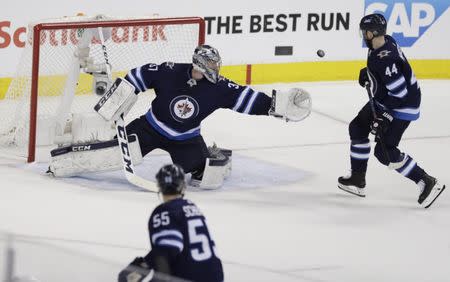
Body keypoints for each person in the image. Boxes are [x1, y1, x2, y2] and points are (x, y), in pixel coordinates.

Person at [92, 44, 311, 188]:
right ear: (200, 64)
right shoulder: (171, 71)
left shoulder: (220, 87)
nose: (216, 67)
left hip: (186, 140)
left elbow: (247, 98)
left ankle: (213, 156)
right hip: (149, 128)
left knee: (206, 178)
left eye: (216, 63)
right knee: (109, 154)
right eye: (212, 64)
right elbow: (139, 75)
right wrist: (116, 99)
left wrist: (276, 105)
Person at [337, 13, 446, 208]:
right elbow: (385, 74)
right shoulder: (382, 43)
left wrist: (385, 116)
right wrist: (369, 73)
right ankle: (357, 178)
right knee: (358, 128)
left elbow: (399, 93)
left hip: (402, 105)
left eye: (365, 32)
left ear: (373, 33)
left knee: (384, 151)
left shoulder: (385, 59)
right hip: (388, 99)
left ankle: (427, 181)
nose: (363, 35)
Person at [118, 164, 224, 282]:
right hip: (216, 275)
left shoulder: (164, 212)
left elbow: (168, 249)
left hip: (188, 276)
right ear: (182, 186)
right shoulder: (192, 208)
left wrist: (143, 266)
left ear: (159, 186)